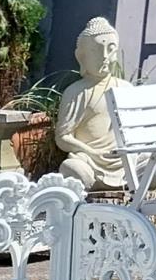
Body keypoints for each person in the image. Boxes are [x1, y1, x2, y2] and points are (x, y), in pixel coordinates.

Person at [52, 17, 131, 194]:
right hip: (90, 160)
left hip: (124, 162)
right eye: (96, 51)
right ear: (82, 56)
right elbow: (63, 137)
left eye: (110, 50)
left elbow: (135, 132)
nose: (104, 57)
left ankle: (129, 179)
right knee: (71, 168)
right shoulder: (76, 92)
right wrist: (91, 152)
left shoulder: (126, 88)